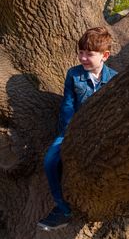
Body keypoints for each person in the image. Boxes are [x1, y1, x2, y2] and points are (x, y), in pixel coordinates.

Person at [37, 27, 117, 231]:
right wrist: (70, 130)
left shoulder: (115, 79)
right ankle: (63, 209)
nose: (82, 58)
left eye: (89, 54)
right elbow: (68, 104)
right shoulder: (74, 75)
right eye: (80, 52)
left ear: (104, 56)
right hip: (72, 130)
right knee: (50, 161)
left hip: (102, 133)